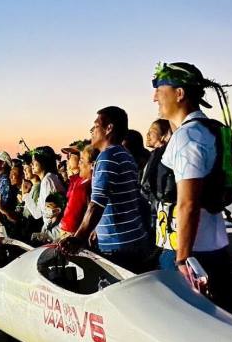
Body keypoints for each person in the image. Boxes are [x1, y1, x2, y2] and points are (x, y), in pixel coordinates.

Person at [152, 62, 230, 304]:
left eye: (158, 88)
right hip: (207, 244)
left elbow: (188, 203)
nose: (154, 97)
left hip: (190, 252)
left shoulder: (189, 137)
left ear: (179, 93)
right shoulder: (204, 130)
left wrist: (182, 258)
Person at [59, 107, 152, 273]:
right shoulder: (125, 155)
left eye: (95, 126)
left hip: (119, 247)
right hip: (135, 239)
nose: (92, 131)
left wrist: (78, 238)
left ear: (109, 128)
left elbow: (97, 204)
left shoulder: (107, 157)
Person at [59, 146, 98, 236]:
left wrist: (93, 229)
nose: (68, 159)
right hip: (65, 229)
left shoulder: (91, 184)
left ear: (92, 164)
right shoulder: (78, 180)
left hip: (75, 233)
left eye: (81, 160)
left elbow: (92, 208)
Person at [22, 146, 65, 220]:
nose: (31, 164)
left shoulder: (48, 181)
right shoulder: (47, 179)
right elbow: (38, 213)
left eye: (34, 161)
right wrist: (26, 195)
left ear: (43, 161)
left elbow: (49, 213)